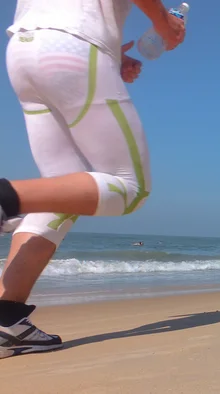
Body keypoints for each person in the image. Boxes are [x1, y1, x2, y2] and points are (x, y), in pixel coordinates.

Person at [0, 0, 186, 359]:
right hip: (72, 46)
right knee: (130, 189)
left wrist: (114, 54)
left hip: (24, 50)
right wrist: (163, 22)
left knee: (61, 194)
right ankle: (6, 199)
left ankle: (7, 321)